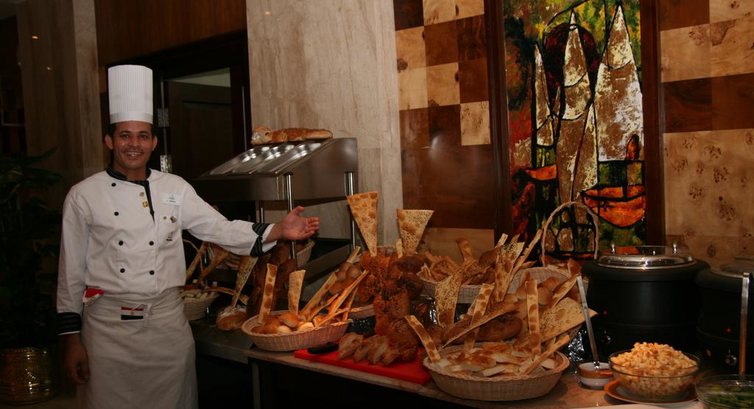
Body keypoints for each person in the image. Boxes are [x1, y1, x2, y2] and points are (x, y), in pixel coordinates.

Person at [55, 64, 319, 409]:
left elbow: (219, 228)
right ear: (109, 140)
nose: (134, 144)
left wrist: (278, 230)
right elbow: (70, 274)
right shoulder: (83, 195)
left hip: (167, 329)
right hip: (108, 334)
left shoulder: (174, 188)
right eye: (124, 135)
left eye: (142, 136)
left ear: (154, 142)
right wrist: (71, 340)